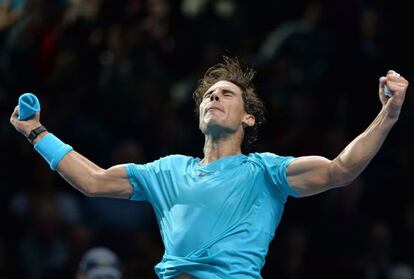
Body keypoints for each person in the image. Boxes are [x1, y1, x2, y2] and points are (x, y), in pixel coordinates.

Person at [10, 57, 409, 278]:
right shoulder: (166, 171)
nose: (214, 97)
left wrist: (388, 114)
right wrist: (35, 131)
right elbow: (94, 181)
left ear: (248, 118)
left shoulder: (264, 172)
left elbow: (341, 169)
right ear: (200, 116)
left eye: (227, 94)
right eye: (209, 95)